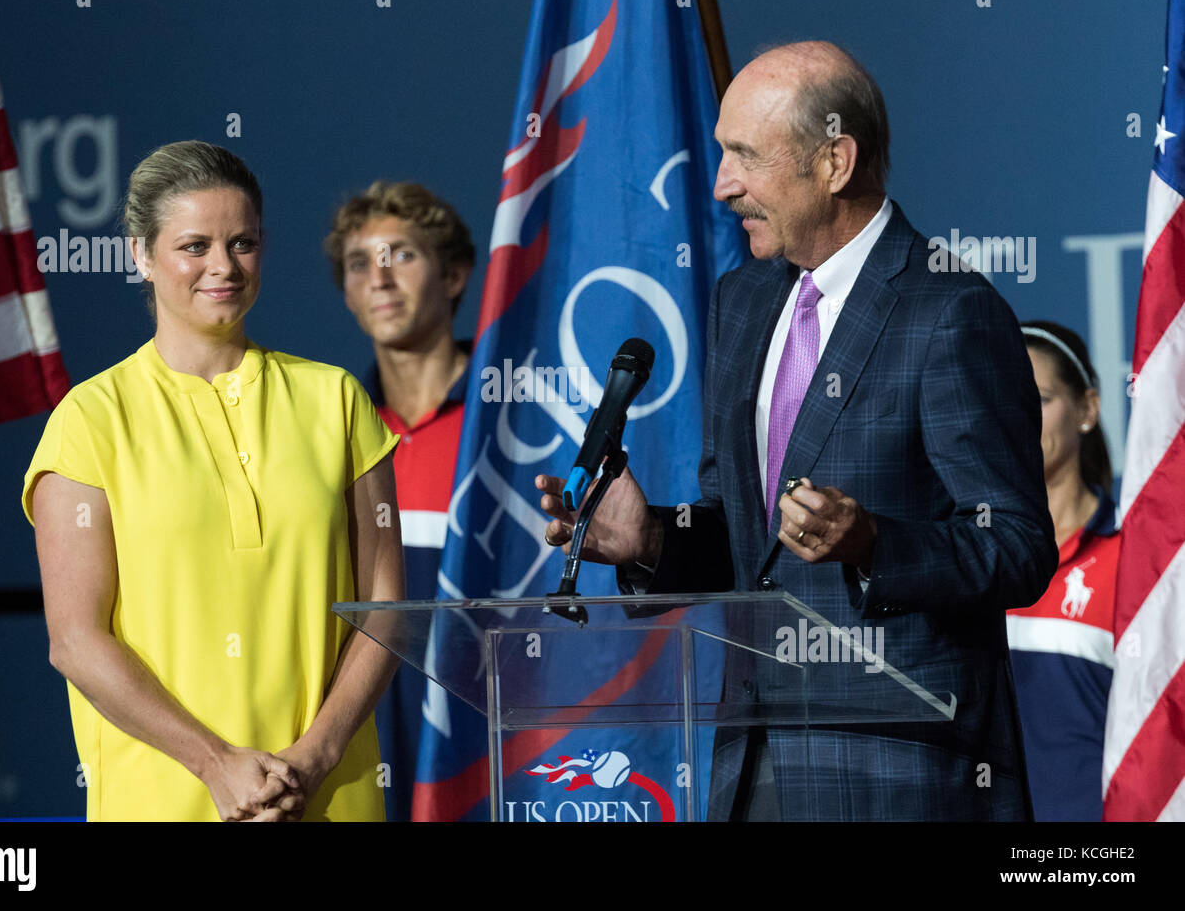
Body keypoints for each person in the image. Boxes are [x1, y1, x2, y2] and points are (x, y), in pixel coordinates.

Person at [537, 41, 1058, 820]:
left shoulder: (950, 311)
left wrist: (876, 543)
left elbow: (1017, 547)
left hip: (897, 776)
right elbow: (755, 547)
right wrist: (649, 538)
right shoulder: (742, 301)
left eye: (744, 155)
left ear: (836, 162)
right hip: (754, 769)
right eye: (721, 154)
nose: (721, 186)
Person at [24, 141, 404, 821]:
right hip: (164, 802)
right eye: (194, 245)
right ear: (141, 255)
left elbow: (385, 612)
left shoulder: (337, 401)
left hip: (328, 795)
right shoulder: (89, 420)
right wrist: (215, 765)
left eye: (242, 242)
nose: (223, 267)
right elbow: (77, 640)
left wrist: (312, 762)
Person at [323, 180, 474, 822]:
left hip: (489, 727)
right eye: (360, 263)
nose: (380, 279)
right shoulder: (329, 433)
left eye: (402, 255)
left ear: (456, 274)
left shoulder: (516, 424)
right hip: (372, 730)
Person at [1007, 321, 1118, 821]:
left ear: (1088, 409)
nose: (1020, 417)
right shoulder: (957, 552)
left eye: (1041, 398)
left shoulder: (1142, 558)